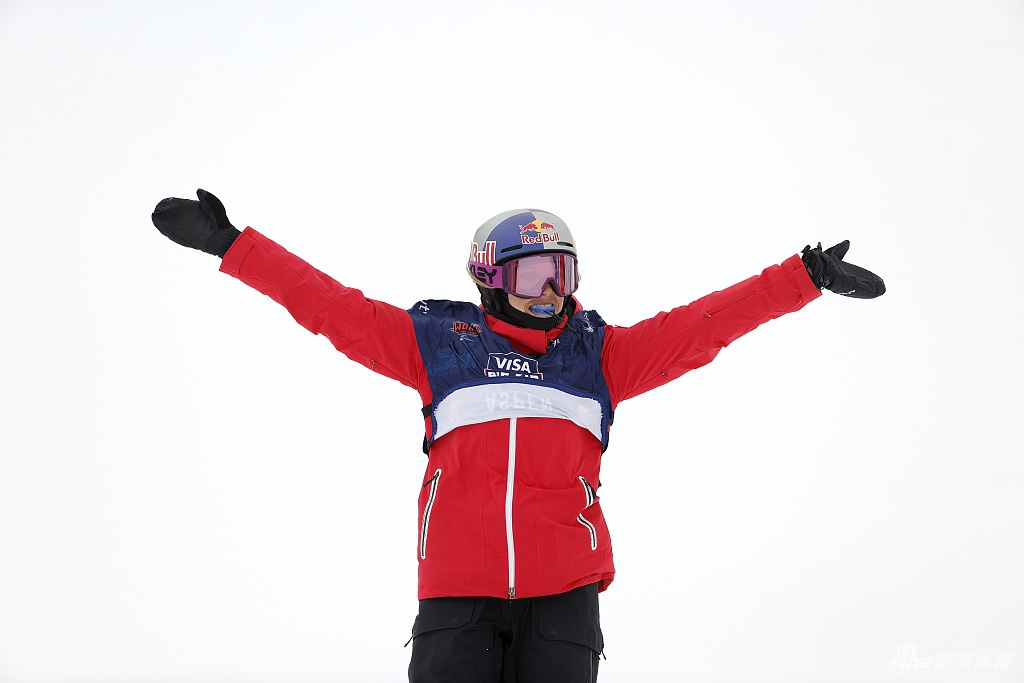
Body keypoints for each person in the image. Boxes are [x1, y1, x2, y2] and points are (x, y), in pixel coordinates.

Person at [151, 190, 885, 683]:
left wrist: (801, 277)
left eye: (562, 273)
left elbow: (702, 327)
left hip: (563, 599)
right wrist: (232, 244)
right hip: (457, 596)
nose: (553, 292)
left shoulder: (599, 355)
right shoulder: (437, 344)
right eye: (535, 275)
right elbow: (328, 306)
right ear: (490, 277)